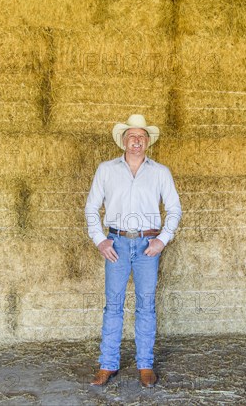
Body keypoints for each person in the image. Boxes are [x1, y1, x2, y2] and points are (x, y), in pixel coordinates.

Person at [85, 114, 182, 388]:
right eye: (131, 137)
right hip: (116, 243)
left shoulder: (160, 172)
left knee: (146, 306)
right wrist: (99, 240)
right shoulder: (106, 170)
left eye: (141, 137)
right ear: (123, 141)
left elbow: (174, 209)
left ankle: (145, 365)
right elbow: (92, 207)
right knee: (113, 305)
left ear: (147, 142)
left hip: (147, 246)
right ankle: (107, 364)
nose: (136, 141)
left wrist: (162, 240)